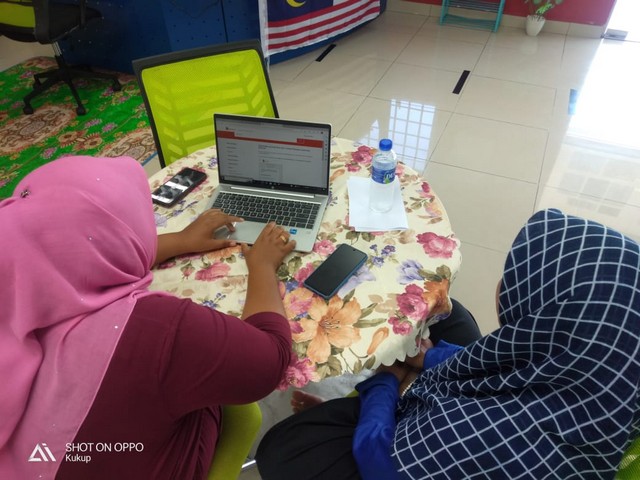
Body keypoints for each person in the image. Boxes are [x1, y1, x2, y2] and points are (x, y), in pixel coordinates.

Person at [256, 208, 640, 479]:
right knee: (452, 317)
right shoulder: (602, 366)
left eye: (517, 281)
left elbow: (378, 456)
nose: (503, 284)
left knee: (282, 448)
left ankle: (360, 410)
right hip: (475, 420)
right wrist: (429, 360)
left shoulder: (490, 437)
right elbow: (499, 366)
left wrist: (384, 383)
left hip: (400, 462)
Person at [0, 155, 296, 479]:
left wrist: (180, 240)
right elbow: (271, 360)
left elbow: (69, 253)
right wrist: (263, 266)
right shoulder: (161, 329)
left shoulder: (15, 284)